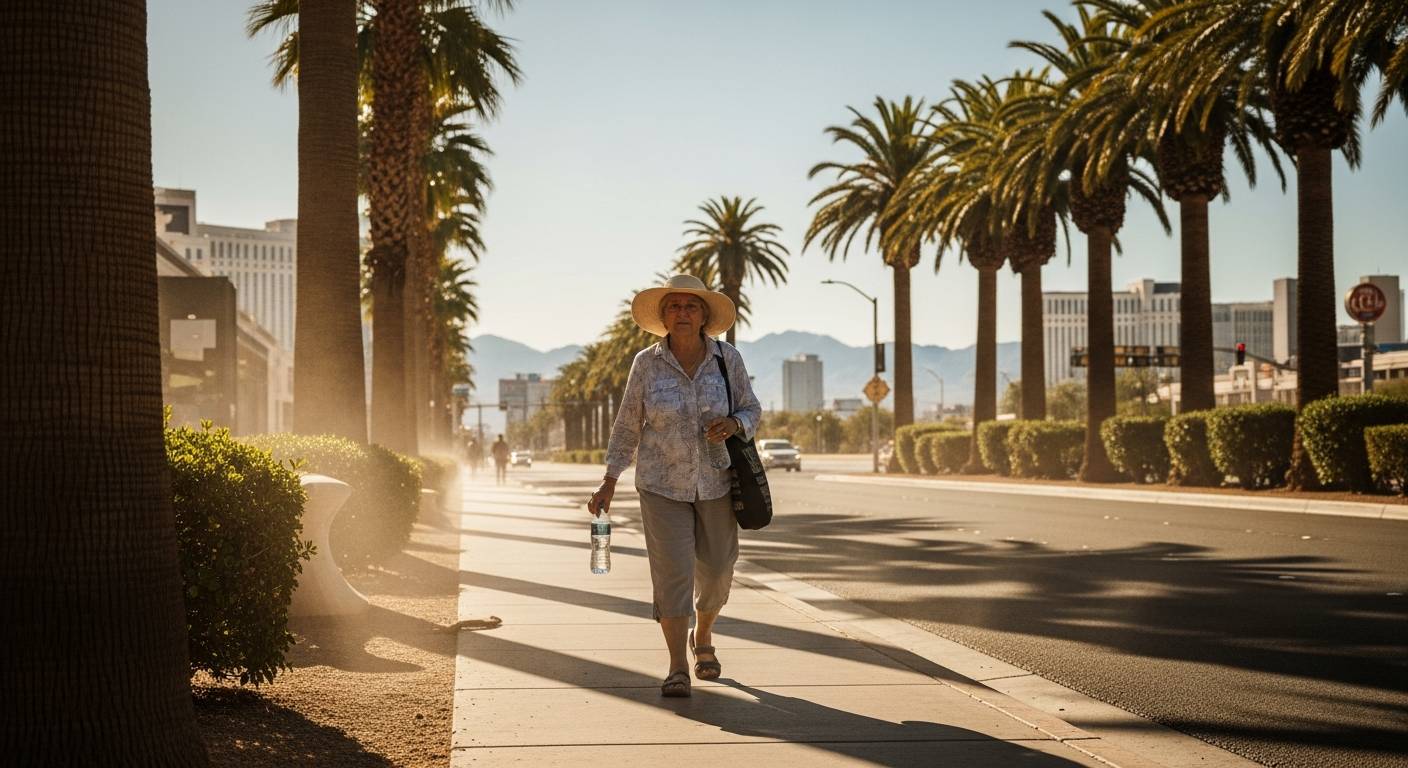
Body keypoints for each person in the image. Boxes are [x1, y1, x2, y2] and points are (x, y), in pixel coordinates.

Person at [589, 274, 761, 698]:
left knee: (719, 570)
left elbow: (752, 408)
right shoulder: (646, 363)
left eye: (690, 306)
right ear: (663, 316)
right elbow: (628, 424)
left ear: (704, 315)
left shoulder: (727, 359)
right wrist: (610, 479)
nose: (682, 313)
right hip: (661, 486)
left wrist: (735, 423)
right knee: (673, 577)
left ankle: (702, 636)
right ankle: (677, 667)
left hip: (718, 482)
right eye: (674, 306)